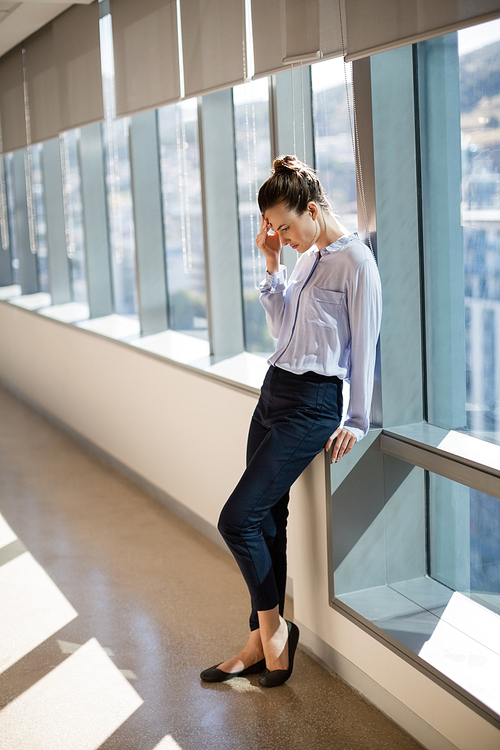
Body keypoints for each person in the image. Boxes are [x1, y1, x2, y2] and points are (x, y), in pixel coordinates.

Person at [201, 155, 382, 687]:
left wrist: (358, 417)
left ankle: (274, 630)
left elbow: (365, 346)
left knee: (236, 519)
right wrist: (272, 265)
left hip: (312, 404)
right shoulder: (303, 257)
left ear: (312, 209)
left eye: (285, 225)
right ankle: (262, 640)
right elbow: (284, 330)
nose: (281, 235)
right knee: (267, 518)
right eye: (272, 228)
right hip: (273, 392)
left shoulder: (355, 264)